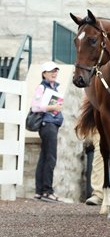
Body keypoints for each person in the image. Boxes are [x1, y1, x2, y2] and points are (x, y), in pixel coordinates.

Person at [32, 61, 64, 202]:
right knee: (50, 157)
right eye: (51, 71)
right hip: (48, 124)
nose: (54, 73)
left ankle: (40, 191)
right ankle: (47, 191)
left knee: (44, 157)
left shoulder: (54, 87)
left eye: (56, 71)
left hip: (51, 124)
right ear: (44, 73)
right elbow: (35, 107)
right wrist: (52, 108)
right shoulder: (41, 87)